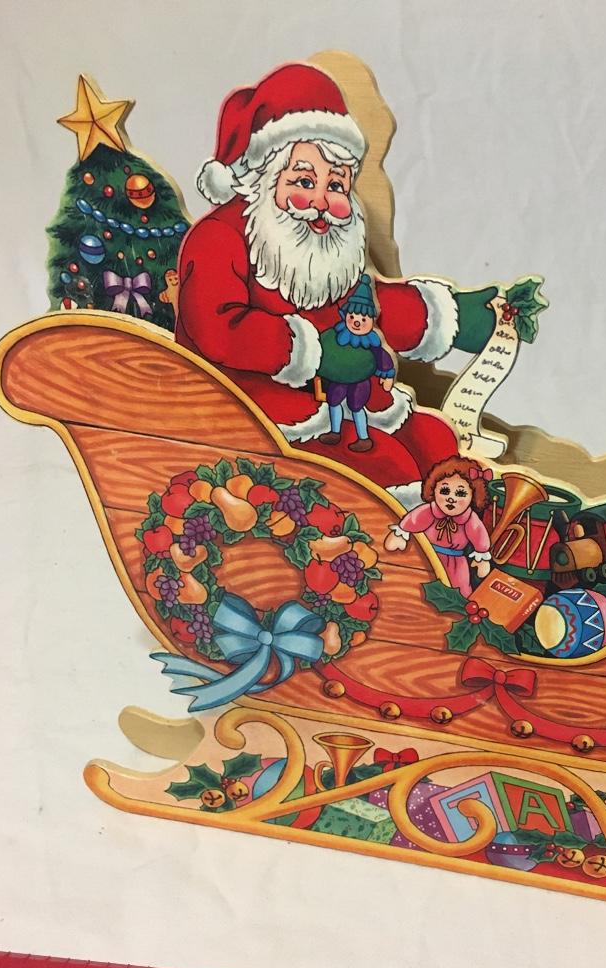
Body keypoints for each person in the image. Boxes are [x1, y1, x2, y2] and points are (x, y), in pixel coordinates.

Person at [175, 62, 533, 492]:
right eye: (304, 180)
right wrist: (310, 351)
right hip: (253, 411)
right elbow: (218, 329)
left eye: (336, 186)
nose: (321, 202)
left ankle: (476, 523)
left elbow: (367, 307)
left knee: (436, 442)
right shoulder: (219, 237)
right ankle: (418, 531)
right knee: (391, 467)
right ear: (263, 175)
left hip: (344, 395)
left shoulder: (321, 246)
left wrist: (457, 315)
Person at [384, 456, 492, 597]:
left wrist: (482, 557)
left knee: (457, 589)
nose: (451, 498)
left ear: (473, 496)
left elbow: (479, 534)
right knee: (416, 585)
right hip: (426, 555)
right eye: (445, 491)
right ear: (433, 490)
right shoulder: (430, 511)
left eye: (460, 493)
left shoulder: (469, 519)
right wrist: (401, 533)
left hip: (455, 564)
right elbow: (415, 519)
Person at [318, 274, 395, 453]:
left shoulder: (372, 343)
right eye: (352, 317)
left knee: (356, 406)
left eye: (363, 319)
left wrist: (388, 375)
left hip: (360, 381)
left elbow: (382, 358)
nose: (357, 322)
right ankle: (335, 432)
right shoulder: (336, 336)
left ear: (372, 321)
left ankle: (363, 438)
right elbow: (323, 347)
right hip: (339, 379)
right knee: (333, 401)